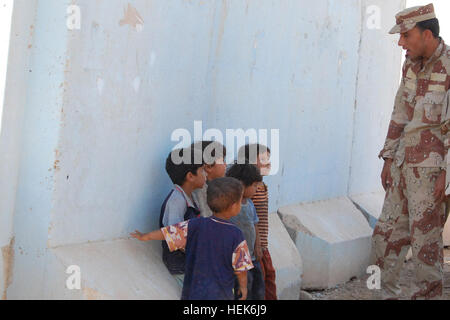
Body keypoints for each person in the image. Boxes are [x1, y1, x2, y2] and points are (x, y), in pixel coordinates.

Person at [373, 3, 450, 300]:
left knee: (426, 249)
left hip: (433, 174)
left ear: (426, 34)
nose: (400, 42)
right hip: (403, 165)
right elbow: (400, 112)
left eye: (406, 35)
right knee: (385, 237)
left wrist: (447, 173)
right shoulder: (410, 64)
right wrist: (389, 157)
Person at [131, 177, 254, 300]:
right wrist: (243, 287)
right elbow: (241, 268)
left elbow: (169, 233)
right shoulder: (236, 235)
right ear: (233, 206)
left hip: (193, 293)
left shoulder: (196, 224)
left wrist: (146, 236)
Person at [159, 147, 205, 287]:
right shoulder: (176, 202)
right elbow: (176, 240)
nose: (206, 174)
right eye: (202, 170)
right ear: (190, 176)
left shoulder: (190, 197)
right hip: (182, 268)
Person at [238, 143, 277, 299]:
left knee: (269, 279)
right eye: (263, 158)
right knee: (260, 283)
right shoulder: (248, 189)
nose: (268, 162)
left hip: (262, 244)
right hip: (254, 246)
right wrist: (257, 244)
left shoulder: (261, 186)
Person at [226, 163, 265, 300]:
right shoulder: (228, 206)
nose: (257, 188)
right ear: (242, 184)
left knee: (258, 290)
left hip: (253, 259)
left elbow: (255, 225)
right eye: (254, 185)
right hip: (238, 262)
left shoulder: (250, 204)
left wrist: (258, 246)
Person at [191, 141, 227, 217]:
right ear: (209, 167)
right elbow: (206, 219)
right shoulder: (200, 191)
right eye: (222, 161)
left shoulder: (212, 187)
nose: (225, 164)